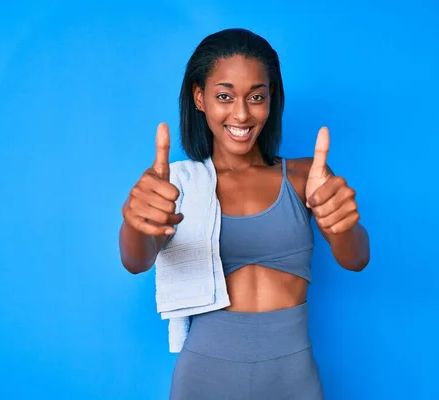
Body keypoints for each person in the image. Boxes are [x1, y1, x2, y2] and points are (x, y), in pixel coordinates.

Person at [119, 28, 370, 400]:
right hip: (205, 374)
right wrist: (135, 222)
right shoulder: (178, 184)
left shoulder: (306, 177)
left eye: (256, 97)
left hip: (292, 375)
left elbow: (356, 259)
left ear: (272, 100)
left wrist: (344, 224)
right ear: (199, 97)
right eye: (224, 96)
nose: (241, 113)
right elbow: (136, 260)